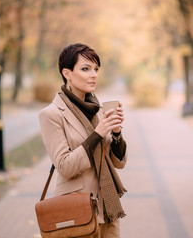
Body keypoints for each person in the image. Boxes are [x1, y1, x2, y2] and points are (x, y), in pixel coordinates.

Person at [39, 43, 127, 238]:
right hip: (76, 211)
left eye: (96, 69)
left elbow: (118, 162)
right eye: (85, 69)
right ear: (67, 73)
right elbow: (65, 166)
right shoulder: (51, 114)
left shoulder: (97, 110)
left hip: (108, 208)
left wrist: (116, 131)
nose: (93, 74)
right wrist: (97, 133)